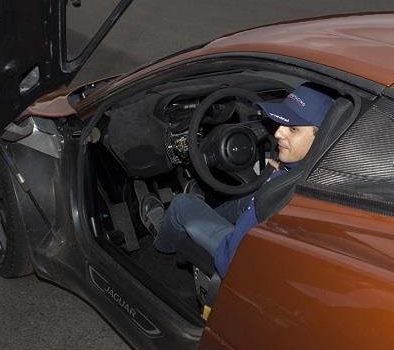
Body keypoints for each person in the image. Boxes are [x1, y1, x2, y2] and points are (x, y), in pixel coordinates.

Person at [140, 85, 334, 277]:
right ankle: (201, 215)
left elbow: (232, 260)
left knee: (182, 204)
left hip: (234, 256)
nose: (277, 133)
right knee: (246, 197)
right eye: (281, 124)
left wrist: (274, 179)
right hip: (261, 236)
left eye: (292, 129)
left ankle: (162, 244)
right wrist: (280, 172)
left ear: (321, 137)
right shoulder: (320, 173)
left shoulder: (280, 191)